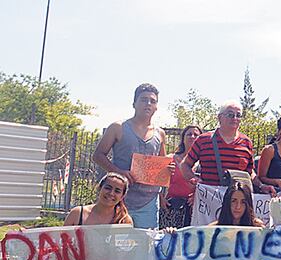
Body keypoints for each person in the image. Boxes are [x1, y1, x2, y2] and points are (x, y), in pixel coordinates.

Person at [93, 83, 170, 229]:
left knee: (145, 244)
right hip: (119, 197)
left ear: (156, 107)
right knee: (115, 242)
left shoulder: (159, 134)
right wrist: (118, 172)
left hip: (148, 201)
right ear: (134, 103)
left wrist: (168, 168)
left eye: (152, 101)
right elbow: (98, 155)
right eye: (144, 99)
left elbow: (162, 164)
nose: (148, 104)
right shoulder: (118, 127)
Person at [180, 101, 268, 193]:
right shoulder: (203, 140)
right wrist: (194, 179)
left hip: (235, 203)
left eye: (238, 115)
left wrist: (261, 186)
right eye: (230, 115)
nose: (234, 118)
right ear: (219, 118)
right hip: (208, 199)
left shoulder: (246, 142)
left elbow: (250, 173)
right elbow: (185, 165)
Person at [160, 125, 202, 229]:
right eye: (189, 134)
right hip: (171, 208)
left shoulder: (205, 162)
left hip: (194, 210)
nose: (192, 137)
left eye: (196, 135)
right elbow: (157, 180)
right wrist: (160, 198)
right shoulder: (171, 159)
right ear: (183, 139)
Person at [64, 172, 133, 226]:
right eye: (108, 188)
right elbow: (62, 240)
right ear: (99, 188)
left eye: (117, 191)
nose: (111, 193)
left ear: (122, 197)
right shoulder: (77, 213)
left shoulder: (124, 220)